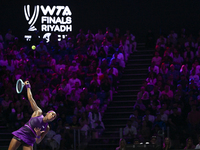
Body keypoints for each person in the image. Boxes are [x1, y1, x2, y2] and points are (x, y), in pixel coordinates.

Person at [8, 81, 57, 150]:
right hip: (21, 133)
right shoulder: (38, 112)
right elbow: (31, 99)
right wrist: (28, 87)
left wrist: (38, 135)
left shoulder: (47, 128)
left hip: (30, 140)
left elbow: (38, 141)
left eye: (54, 117)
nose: (53, 116)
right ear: (47, 113)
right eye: (52, 114)